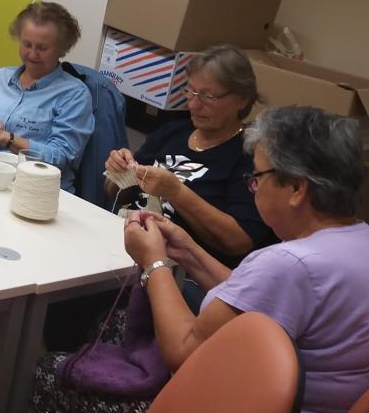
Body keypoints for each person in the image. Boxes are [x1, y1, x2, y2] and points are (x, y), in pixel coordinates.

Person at [31, 105, 369, 413]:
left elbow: (183, 352)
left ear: (297, 189)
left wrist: (153, 262)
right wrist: (188, 251)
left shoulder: (289, 265)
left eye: (257, 178)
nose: (253, 188)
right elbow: (251, 301)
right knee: (113, 325)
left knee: (53, 374)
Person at [105, 45, 275, 269]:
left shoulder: (251, 155)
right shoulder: (172, 132)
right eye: (191, 92)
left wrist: (176, 192)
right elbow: (113, 193)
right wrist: (119, 172)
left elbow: (239, 241)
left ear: (242, 99)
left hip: (182, 271)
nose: (194, 105)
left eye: (208, 96)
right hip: (123, 244)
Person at [0, 2, 93, 191]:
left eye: (42, 48)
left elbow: (60, 156)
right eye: (27, 44)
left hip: (33, 189)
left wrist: (6, 138)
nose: (32, 54)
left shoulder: (74, 95)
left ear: (62, 49)